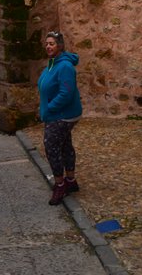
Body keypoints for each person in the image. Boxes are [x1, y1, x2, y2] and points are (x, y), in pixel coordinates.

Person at [38, 31, 82, 205]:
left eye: (52, 44)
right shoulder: (52, 64)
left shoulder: (64, 66)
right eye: (47, 43)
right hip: (57, 113)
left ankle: (60, 185)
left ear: (60, 46)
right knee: (65, 144)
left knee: (51, 146)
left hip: (63, 115)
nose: (48, 46)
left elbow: (66, 93)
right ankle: (71, 181)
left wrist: (49, 108)